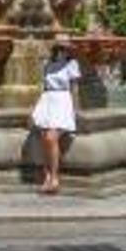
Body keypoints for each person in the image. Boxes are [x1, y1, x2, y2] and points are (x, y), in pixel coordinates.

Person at [31, 40, 82, 195]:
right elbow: (43, 86)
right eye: (60, 47)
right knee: (45, 138)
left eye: (65, 47)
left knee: (51, 138)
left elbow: (74, 87)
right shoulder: (47, 64)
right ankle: (47, 176)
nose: (62, 50)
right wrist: (36, 106)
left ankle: (54, 178)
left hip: (62, 100)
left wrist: (75, 109)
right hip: (47, 100)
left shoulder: (72, 64)